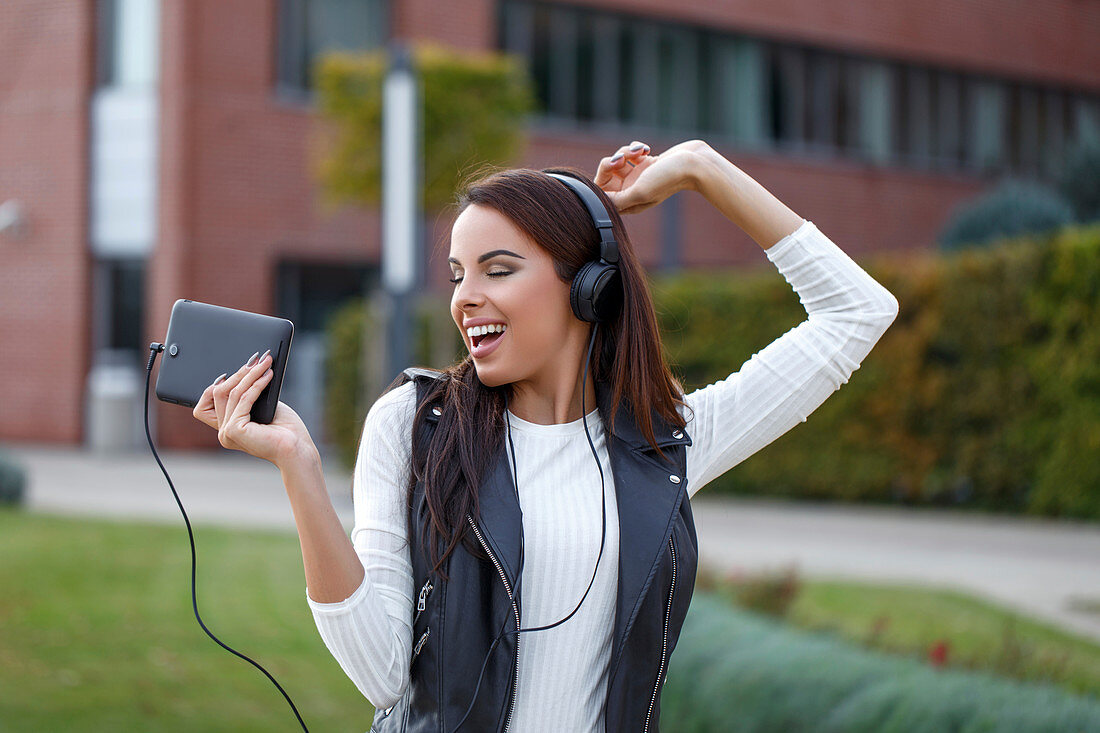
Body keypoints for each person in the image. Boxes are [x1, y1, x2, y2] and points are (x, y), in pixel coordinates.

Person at [191, 139, 900, 732]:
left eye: (499, 269)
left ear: (588, 287)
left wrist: (697, 169)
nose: (466, 296)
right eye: (458, 273)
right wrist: (297, 464)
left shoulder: (666, 446)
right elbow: (381, 676)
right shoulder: (415, 423)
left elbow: (857, 312)